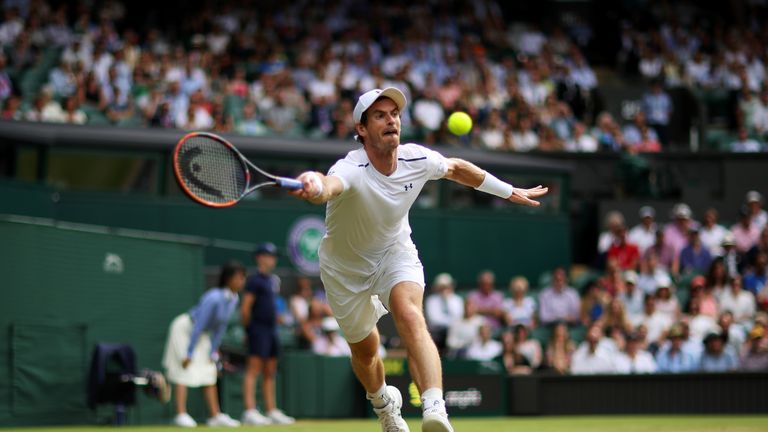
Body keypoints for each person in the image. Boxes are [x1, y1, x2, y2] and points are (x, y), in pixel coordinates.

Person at [289, 87, 548, 432]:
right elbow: (329, 184)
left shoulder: (416, 158)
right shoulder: (351, 167)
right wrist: (314, 185)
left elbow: (456, 168)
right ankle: (384, 407)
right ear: (362, 129)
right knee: (366, 354)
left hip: (395, 252)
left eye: (394, 114)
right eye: (380, 115)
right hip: (344, 270)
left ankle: (435, 409)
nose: (391, 120)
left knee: (409, 314)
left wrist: (507, 190)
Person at [162, 261, 246, 428]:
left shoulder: (234, 299)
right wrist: (189, 352)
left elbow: (219, 328)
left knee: (209, 371)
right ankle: (180, 414)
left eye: (243, 277)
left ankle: (214, 416)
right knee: (184, 367)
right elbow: (199, 324)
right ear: (228, 279)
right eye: (238, 277)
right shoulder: (214, 297)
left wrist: (213, 352)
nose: (241, 281)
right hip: (185, 329)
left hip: (202, 335)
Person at [240, 243, 295, 426]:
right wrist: (249, 331)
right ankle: (249, 411)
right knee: (253, 369)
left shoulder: (271, 281)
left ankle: (271, 410)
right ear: (259, 258)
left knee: (270, 371)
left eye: (274, 256)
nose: (272, 259)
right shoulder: (254, 280)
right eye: (268, 255)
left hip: (272, 330)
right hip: (258, 329)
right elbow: (245, 309)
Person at [424, 273, 464, 351]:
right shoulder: (431, 300)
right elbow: (434, 319)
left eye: (447, 287)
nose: (444, 289)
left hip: (455, 331)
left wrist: (447, 300)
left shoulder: (457, 300)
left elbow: (458, 316)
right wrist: (449, 322)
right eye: (442, 287)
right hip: (437, 332)